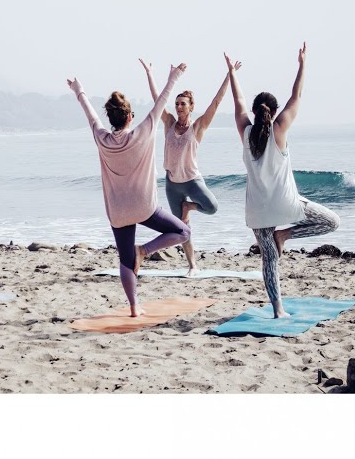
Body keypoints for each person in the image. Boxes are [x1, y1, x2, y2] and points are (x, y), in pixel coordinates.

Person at [67, 63, 191, 317]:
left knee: (125, 260)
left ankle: (134, 308)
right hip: (144, 207)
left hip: (118, 212)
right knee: (183, 232)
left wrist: (79, 91)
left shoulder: (101, 138)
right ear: (130, 117)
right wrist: (174, 76)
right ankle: (143, 250)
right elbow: (161, 102)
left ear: (112, 119)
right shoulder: (142, 133)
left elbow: (90, 115)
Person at [225, 44, 340, 318]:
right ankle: (285, 234)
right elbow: (296, 95)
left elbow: (238, 102)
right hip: (286, 205)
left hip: (258, 211)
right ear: (274, 112)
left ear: (254, 112)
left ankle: (278, 310)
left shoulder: (245, 132)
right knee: (332, 222)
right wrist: (302, 64)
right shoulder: (280, 129)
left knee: (269, 260)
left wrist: (232, 73)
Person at [139, 57, 240, 275]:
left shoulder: (198, 127)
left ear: (191, 106)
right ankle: (192, 265)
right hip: (172, 184)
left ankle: (189, 207)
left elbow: (216, 102)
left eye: (183, 104)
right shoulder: (168, 123)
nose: (178, 107)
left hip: (192, 181)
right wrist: (149, 73)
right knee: (182, 229)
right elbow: (158, 100)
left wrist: (229, 74)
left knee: (212, 207)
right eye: (177, 103)